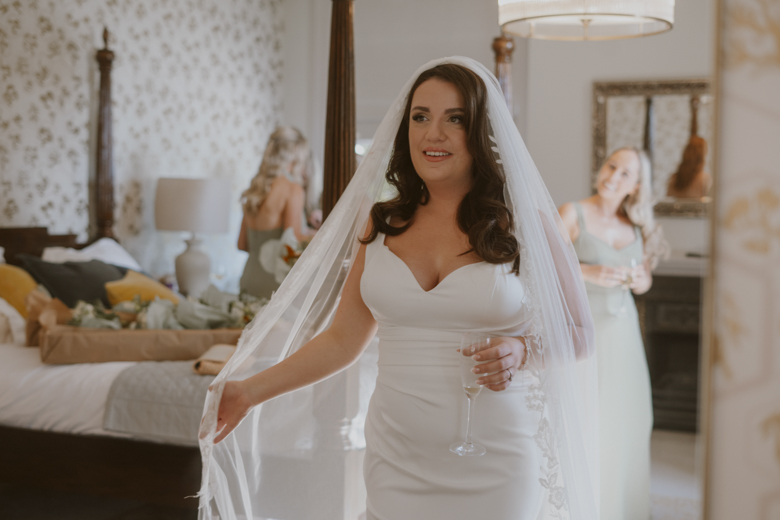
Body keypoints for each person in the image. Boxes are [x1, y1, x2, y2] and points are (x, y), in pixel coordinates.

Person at [198, 58, 599, 520]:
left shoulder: (526, 224)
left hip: (499, 459)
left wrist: (522, 350)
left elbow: (581, 333)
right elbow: (342, 341)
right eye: (420, 117)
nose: (433, 134)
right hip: (396, 458)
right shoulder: (382, 223)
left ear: (480, 132)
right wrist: (249, 392)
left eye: (455, 119)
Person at [559, 147, 667, 520]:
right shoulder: (572, 213)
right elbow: (537, 266)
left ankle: (623, 510)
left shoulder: (636, 225)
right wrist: (587, 272)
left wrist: (639, 279)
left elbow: (645, 281)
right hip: (584, 334)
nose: (613, 176)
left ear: (636, 187)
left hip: (624, 337)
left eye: (625, 174)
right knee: (589, 422)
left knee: (630, 421)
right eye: (611, 166)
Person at [238, 127, 318, 299]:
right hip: (274, 283)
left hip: (248, 280)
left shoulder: (255, 189)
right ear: (296, 150)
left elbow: (242, 245)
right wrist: (319, 235)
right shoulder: (292, 189)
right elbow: (292, 243)